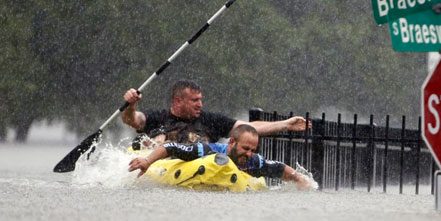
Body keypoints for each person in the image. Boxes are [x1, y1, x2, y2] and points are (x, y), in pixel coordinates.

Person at [122, 80, 310, 144]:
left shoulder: (210, 120)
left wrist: (285, 124)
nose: (200, 105)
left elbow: (248, 127)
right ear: (178, 101)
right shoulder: (158, 117)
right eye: (194, 100)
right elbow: (133, 120)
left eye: (201, 99)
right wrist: (130, 105)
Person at [127, 124, 313, 188]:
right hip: (181, 167)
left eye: (253, 150)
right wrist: (148, 161)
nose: (249, 154)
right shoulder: (208, 150)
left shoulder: (252, 161)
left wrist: (301, 180)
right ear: (232, 142)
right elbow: (171, 147)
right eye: (245, 148)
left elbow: (278, 168)